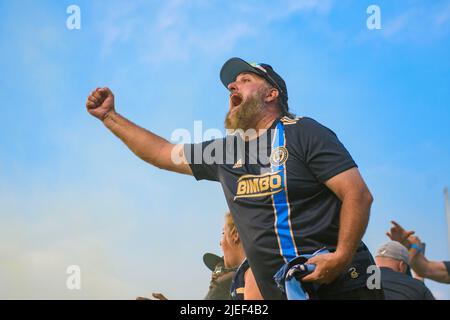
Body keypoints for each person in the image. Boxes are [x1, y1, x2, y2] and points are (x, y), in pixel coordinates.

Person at [86, 57, 382, 299]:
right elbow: (162, 152)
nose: (232, 86)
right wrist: (109, 116)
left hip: (344, 284)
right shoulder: (225, 153)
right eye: (231, 84)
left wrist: (341, 256)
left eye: (244, 80)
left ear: (271, 94)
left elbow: (357, 194)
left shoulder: (303, 131)